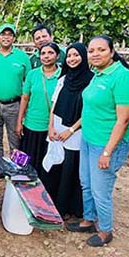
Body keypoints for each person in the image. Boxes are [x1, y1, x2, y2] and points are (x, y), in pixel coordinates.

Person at [66, 35, 129, 247]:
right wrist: (74, 130)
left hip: (106, 145)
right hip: (88, 140)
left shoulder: (123, 77)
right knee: (85, 184)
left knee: (101, 190)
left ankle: (106, 231)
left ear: (112, 52)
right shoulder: (97, 75)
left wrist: (107, 152)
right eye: (91, 50)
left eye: (101, 50)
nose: (95, 54)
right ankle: (88, 220)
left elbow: (124, 119)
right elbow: (89, 109)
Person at [47, 42, 94, 221]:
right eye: (69, 56)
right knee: (55, 166)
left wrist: (71, 130)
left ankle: (67, 207)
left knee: (70, 170)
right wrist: (51, 127)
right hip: (57, 129)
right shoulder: (63, 79)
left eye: (76, 55)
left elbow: (89, 111)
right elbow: (54, 105)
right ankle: (52, 203)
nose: (72, 59)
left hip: (76, 133)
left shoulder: (91, 81)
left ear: (83, 57)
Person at [17, 42, 63, 197]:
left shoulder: (63, 76)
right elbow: (25, 98)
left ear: (57, 56)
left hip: (52, 128)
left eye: (50, 53)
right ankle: (27, 194)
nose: (46, 56)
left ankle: (45, 195)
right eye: (43, 53)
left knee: (48, 164)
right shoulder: (33, 74)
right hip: (31, 124)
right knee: (30, 162)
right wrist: (19, 121)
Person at [0, 23, 31, 163]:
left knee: (15, 137)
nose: (6, 37)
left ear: (14, 38)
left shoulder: (22, 57)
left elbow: (28, 83)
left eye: (10, 34)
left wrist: (25, 107)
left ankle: (15, 167)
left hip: (14, 104)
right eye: (3, 34)